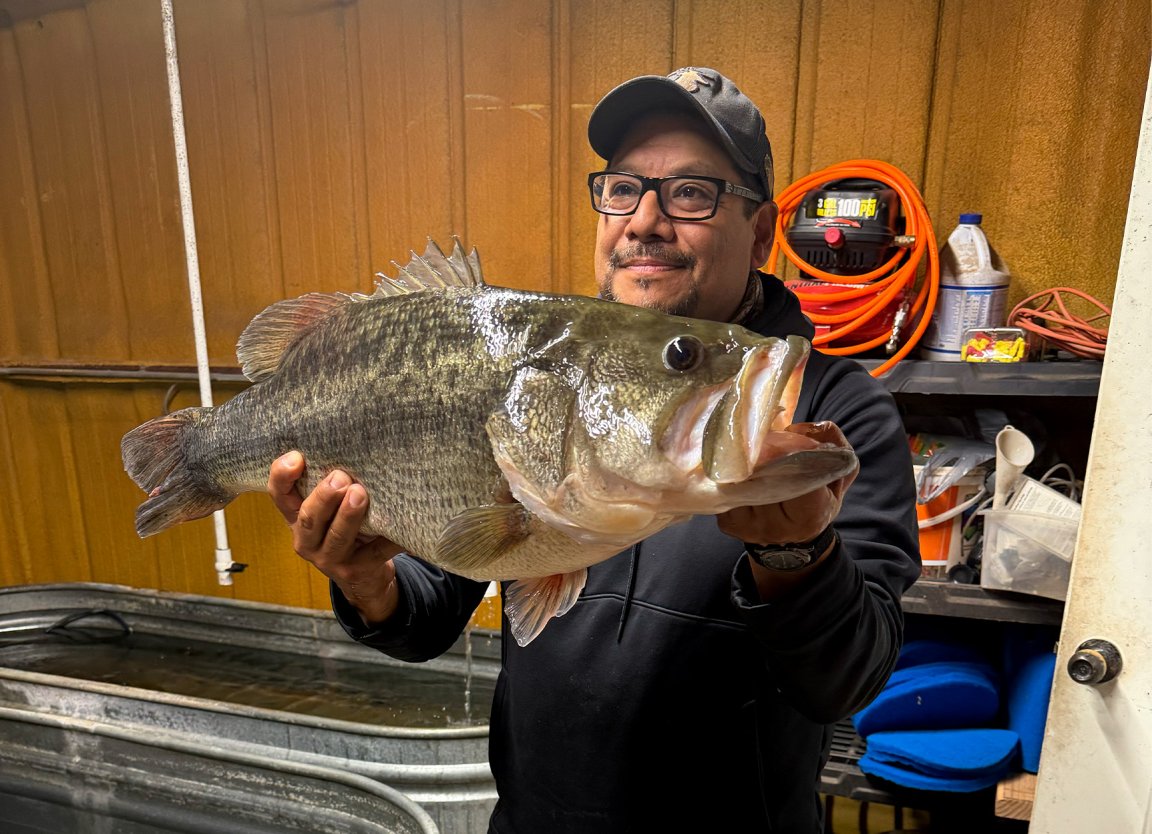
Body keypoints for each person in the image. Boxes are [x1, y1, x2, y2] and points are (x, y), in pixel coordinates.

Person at [267, 67, 920, 833]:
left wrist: (795, 561)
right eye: (623, 189)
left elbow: (849, 681)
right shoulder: (536, 370)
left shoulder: (832, 415)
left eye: (691, 193)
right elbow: (432, 606)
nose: (645, 220)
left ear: (763, 230)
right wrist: (367, 580)